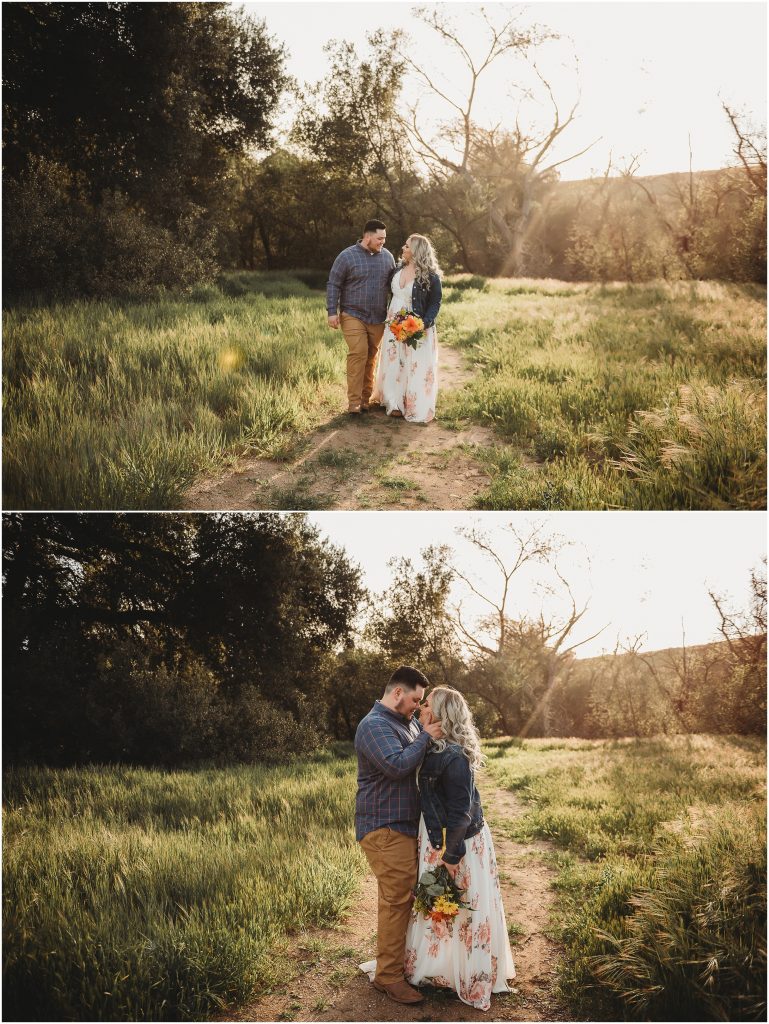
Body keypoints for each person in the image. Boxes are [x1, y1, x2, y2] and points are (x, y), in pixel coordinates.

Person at [404, 686, 516, 1011]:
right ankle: (440, 970)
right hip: (438, 838)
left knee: (461, 907)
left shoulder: (452, 756)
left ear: (440, 714)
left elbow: (461, 812)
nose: (421, 709)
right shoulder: (432, 747)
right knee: (439, 905)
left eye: (427, 705)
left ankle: (465, 974)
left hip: (458, 842)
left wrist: (451, 857)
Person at [354, 666, 444, 1005]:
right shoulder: (374, 726)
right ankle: (388, 977)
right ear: (397, 693)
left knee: (397, 899)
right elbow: (396, 765)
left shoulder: (407, 723)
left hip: (404, 827)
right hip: (384, 827)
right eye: (414, 700)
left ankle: (393, 965)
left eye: (421, 703)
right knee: (397, 901)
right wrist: (425, 736)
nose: (416, 707)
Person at [326, 220, 396, 416]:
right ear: (367, 236)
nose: (383, 241)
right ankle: (354, 402)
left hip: (377, 317)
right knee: (359, 353)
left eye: (384, 238)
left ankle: (366, 399)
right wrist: (332, 311)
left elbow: (395, 285)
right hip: (352, 314)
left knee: (371, 357)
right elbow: (333, 284)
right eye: (379, 238)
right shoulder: (347, 256)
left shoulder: (387, 257)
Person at [372, 233, 443, 423]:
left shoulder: (431, 276)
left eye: (406, 246)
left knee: (414, 364)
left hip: (417, 325)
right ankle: (394, 403)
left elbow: (435, 304)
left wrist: (423, 324)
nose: (403, 248)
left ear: (416, 251)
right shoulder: (396, 269)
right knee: (394, 361)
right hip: (393, 324)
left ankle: (412, 404)